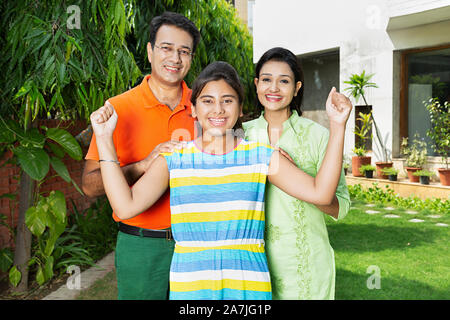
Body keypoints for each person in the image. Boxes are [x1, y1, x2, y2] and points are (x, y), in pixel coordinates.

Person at [89, 61, 352, 300]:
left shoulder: (259, 157)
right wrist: (103, 138)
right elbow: (125, 206)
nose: (218, 109)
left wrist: (337, 125)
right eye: (207, 101)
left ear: (240, 109)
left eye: (228, 100)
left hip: (248, 287)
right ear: (193, 109)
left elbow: (321, 193)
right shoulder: (175, 158)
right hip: (190, 288)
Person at [81, 12, 200, 300]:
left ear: (192, 58)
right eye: (166, 48)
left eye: (184, 51)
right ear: (149, 51)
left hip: (197, 244)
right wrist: (143, 165)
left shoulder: (205, 106)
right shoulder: (119, 108)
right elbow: (90, 186)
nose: (175, 58)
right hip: (141, 245)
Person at [243, 47, 351, 300]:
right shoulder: (240, 136)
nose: (274, 88)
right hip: (251, 263)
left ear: (297, 87)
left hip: (306, 266)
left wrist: (299, 182)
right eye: (267, 80)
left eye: (284, 81)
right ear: (257, 84)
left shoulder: (320, 135)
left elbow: (341, 205)